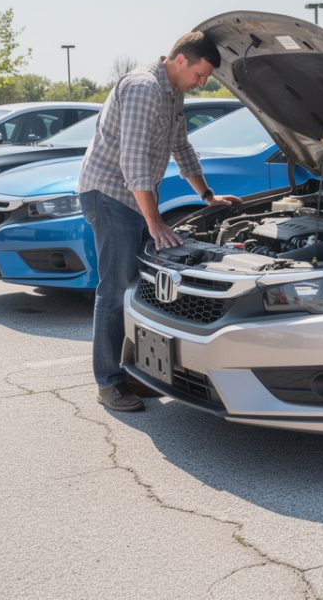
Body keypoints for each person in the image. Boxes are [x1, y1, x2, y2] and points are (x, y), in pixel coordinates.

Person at [78, 31, 240, 412]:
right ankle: (109, 382)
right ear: (180, 59)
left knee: (138, 287)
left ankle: (134, 374)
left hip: (129, 198)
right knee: (115, 289)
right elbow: (132, 163)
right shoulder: (143, 88)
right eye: (201, 74)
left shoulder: (172, 93)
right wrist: (155, 223)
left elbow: (181, 147)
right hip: (109, 195)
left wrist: (207, 195)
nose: (202, 83)